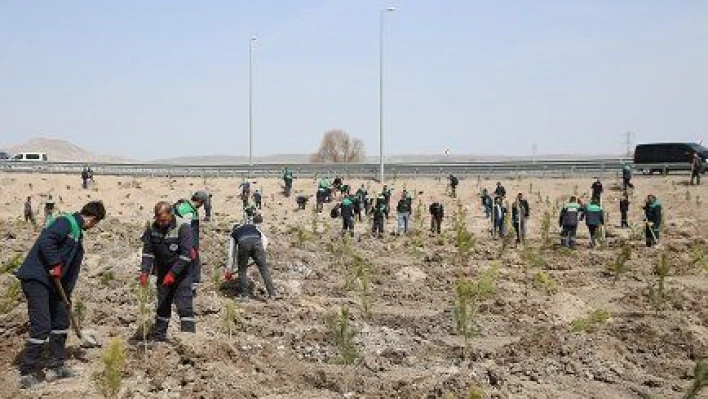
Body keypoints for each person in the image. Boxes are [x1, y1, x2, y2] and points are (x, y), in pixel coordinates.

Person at [15, 201, 106, 389]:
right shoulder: (66, 222)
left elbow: (71, 269)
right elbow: (47, 240)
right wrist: (55, 263)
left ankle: (56, 366)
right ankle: (27, 373)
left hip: (56, 285)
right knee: (42, 325)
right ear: (93, 219)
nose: (93, 227)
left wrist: (67, 296)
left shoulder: (77, 235)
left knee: (61, 321)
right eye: (95, 224)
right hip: (37, 278)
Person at [138, 202, 195, 341]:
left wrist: (173, 274)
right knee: (163, 305)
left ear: (171, 215)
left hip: (181, 275)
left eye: (163, 220)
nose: (160, 223)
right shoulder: (152, 228)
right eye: (158, 219)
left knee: (184, 306)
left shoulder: (183, 227)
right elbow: (148, 252)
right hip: (163, 274)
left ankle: (189, 340)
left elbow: (186, 255)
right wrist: (145, 271)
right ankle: (159, 338)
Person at [225, 215, 278, 301]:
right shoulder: (253, 227)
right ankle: (273, 294)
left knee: (242, 270)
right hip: (258, 244)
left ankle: (245, 295)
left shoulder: (234, 233)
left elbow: (231, 254)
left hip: (244, 244)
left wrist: (229, 270)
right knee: (264, 269)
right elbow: (264, 239)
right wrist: (262, 253)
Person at [174, 191, 208, 295]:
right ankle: (189, 290)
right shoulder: (188, 211)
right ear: (200, 202)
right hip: (188, 243)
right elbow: (187, 230)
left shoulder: (182, 206)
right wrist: (190, 247)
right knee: (192, 265)